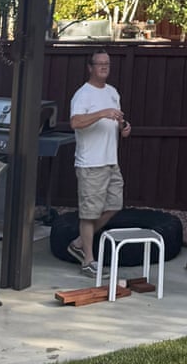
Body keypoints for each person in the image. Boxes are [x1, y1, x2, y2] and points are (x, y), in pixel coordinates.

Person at [69, 48, 132, 276]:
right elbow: (75, 122)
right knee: (89, 213)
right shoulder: (83, 94)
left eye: (107, 63)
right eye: (100, 64)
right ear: (90, 67)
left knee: (114, 205)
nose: (104, 67)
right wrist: (101, 113)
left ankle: (77, 243)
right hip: (90, 162)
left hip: (110, 160)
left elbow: (117, 122)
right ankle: (88, 261)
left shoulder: (113, 92)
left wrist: (124, 127)